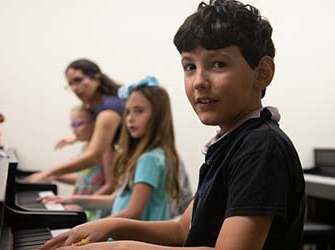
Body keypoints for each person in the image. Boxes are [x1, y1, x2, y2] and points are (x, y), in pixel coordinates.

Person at [39, 0, 305, 249]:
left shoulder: (260, 146)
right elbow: (182, 230)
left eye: (218, 64)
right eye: (189, 67)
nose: (199, 81)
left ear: (262, 73)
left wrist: (118, 246)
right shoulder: (228, 143)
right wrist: (113, 225)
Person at [40, 80, 180, 223]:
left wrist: (94, 227)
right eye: (128, 112)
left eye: (139, 111)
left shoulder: (150, 159)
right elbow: (117, 200)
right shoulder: (145, 156)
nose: (130, 118)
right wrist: (71, 200)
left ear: (158, 116)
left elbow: (133, 212)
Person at [26, 59, 124, 197]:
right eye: (70, 84)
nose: (74, 88)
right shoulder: (103, 106)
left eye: (78, 80)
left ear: (96, 78)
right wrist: (76, 138)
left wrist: (49, 172)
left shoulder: (109, 109)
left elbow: (93, 156)